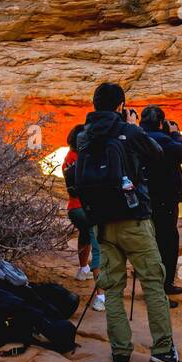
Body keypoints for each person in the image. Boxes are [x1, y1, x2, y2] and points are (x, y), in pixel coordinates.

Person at [71, 82, 182, 362]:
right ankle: (163, 349)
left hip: (101, 225)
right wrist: (132, 127)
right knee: (153, 282)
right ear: (121, 105)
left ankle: (120, 352)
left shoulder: (84, 136)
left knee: (113, 288)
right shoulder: (130, 132)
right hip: (134, 219)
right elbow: (158, 155)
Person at [139, 106, 182, 304]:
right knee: (167, 242)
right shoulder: (166, 140)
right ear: (161, 122)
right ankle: (162, 287)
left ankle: (154, 284)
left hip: (142, 198)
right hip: (165, 199)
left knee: (147, 242)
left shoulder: (136, 136)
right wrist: (176, 134)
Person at [62, 125, 105, 312]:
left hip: (73, 209)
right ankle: (100, 296)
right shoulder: (83, 158)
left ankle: (82, 270)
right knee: (98, 247)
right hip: (85, 208)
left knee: (85, 234)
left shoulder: (67, 159)